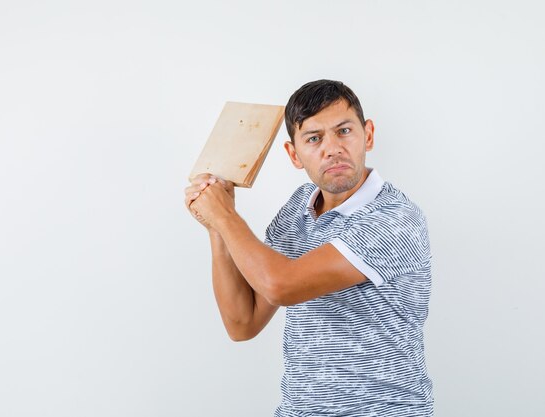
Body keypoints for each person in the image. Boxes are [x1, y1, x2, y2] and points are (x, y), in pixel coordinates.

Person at [184, 79, 433, 416]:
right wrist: (216, 227)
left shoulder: (394, 219)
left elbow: (282, 286)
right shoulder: (300, 206)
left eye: (344, 131)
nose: (332, 149)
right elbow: (243, 323)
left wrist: (226, 217)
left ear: (368, 135)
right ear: (294, 154)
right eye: (314, 138)